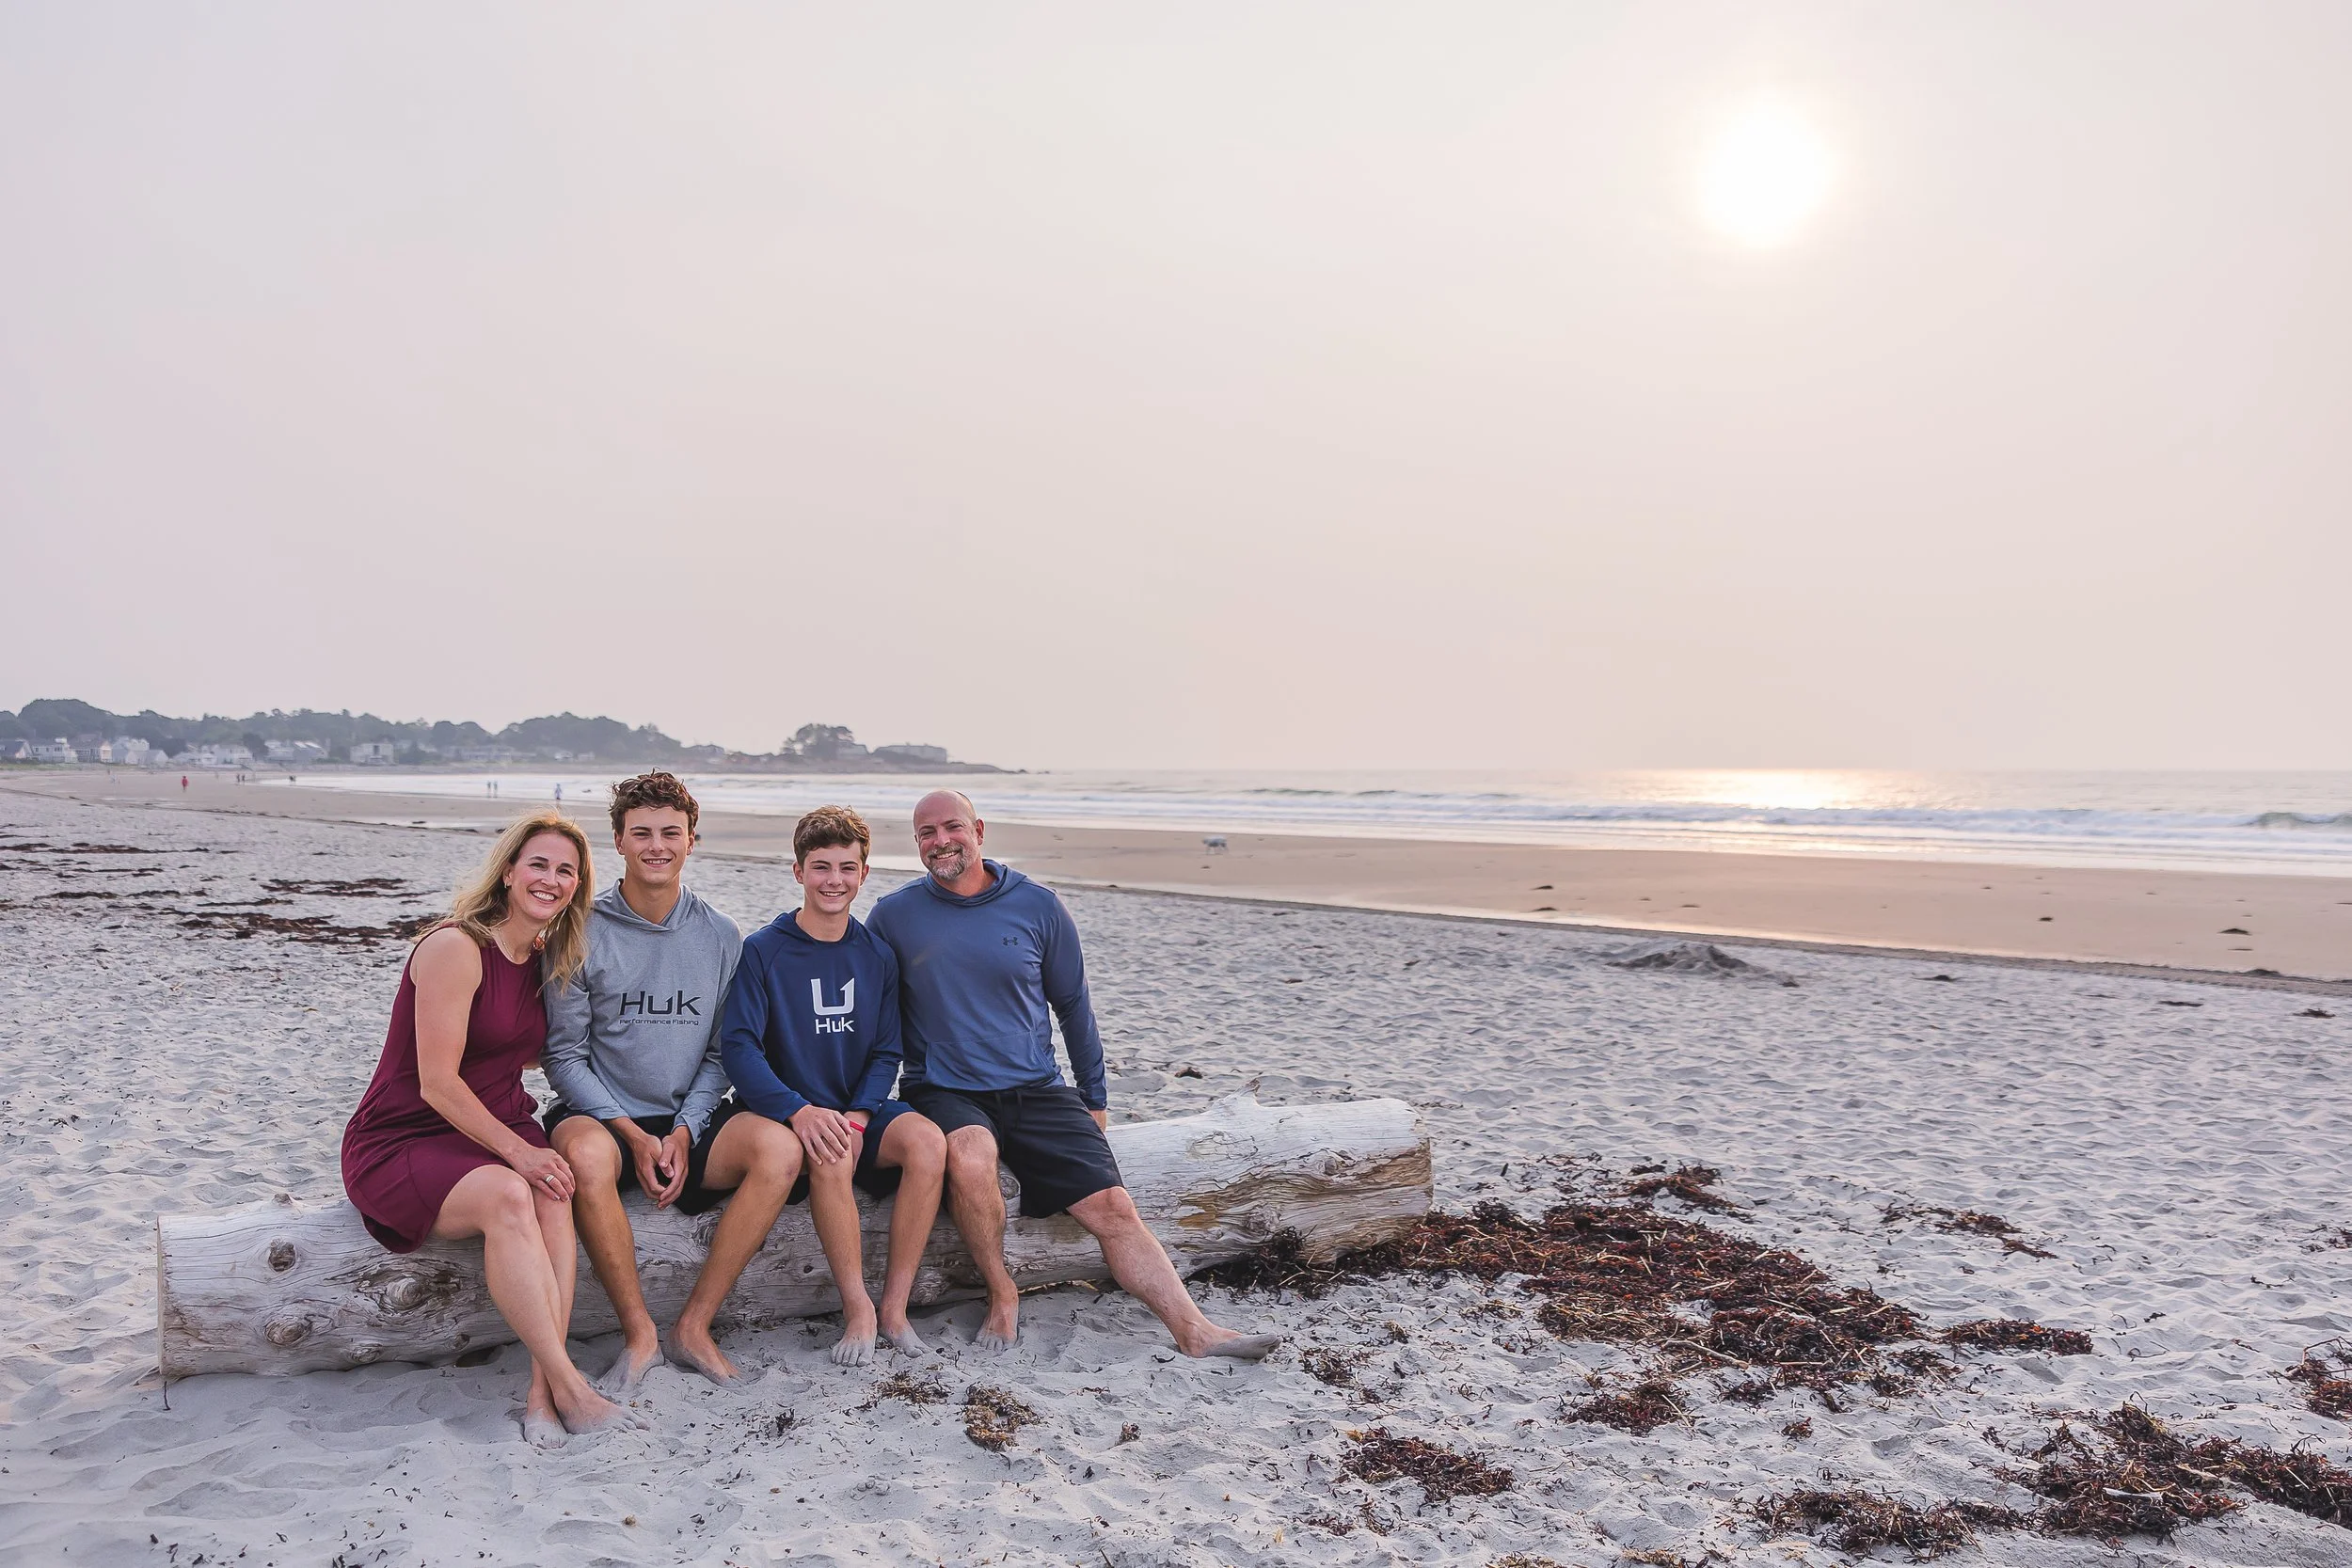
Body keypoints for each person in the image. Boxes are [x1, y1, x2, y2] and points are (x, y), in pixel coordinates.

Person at [868, 790, 1278, 1360]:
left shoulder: (1038, 905)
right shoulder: (894, 915)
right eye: (926, 834)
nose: (940, 842)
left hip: (1035, 1087)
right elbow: (865, 1006)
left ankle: (1194, 1330)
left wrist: (1095, 1096)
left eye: (951, 828)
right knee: (969, 1154)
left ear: (979, 830)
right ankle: (1002, 1291)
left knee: (1112, 1207)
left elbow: (1074, 1007)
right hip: (944, 1088)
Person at [341, 813, 633, 1448]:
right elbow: (438, 1081)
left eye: (566, 871)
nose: (550, 880)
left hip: (494, 1125)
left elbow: (525, 1049)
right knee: (512, 1193)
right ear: (508, 871)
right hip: (406, 1136)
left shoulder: (542, 959)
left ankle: (538, 1396)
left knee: (556, 1190)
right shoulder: (456, 946)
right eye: (539, 864)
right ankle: (570, 1387)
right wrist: (518, 1154)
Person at [541, 771, 803, 1389]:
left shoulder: (719, 934)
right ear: (618, 841)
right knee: (582, 1154)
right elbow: (564, 1055)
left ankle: (694, 1325)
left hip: (693, 1117)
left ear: (692, 840)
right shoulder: (580, 930)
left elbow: (721, 1052)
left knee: (781, 1149)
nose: (656, 844)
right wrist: (631, 1133)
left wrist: (685, 1130)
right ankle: (639, 1334)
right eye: (642, 833)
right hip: (604, 1117)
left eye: (670, 832)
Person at [721, 807, 948, 1366]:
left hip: (857, 1108)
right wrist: (798, 1112)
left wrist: (863, 1114)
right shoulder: (764, 950)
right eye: (821, 867)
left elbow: (886, 1050)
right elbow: (739, 1049)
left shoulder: (875, 955)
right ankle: (858, 1310)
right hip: (790, 1112)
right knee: (831, 1154)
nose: (834, 880)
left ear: (864, 874)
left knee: (928, 1143)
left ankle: (893, 1308)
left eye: (847, 868)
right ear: (798, 872)